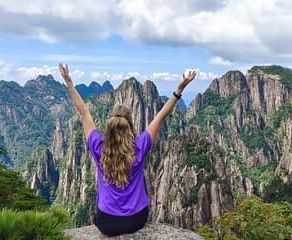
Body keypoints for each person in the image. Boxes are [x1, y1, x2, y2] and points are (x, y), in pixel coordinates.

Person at [59, 63, 196, 236]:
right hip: (136, 220)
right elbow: (161, 115)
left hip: (107, 223)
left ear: (108, 129)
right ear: (130, 126)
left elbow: (84, 113)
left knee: (97, 217)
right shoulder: (140, 147)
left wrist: (69, 82)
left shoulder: (98, 147)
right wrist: (179, 89)